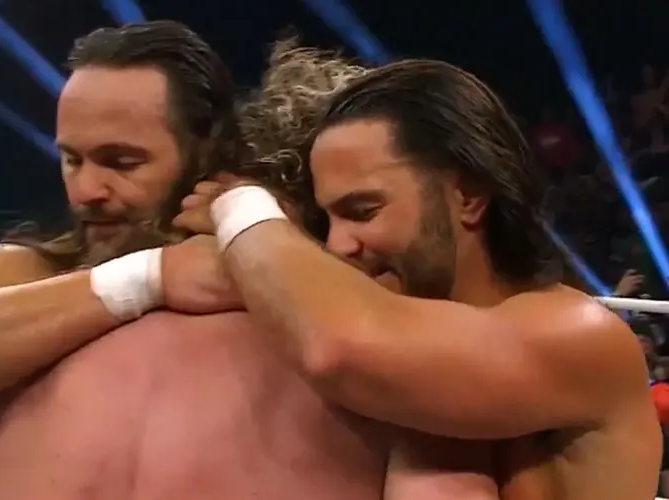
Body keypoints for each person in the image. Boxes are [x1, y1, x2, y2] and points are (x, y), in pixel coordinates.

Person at [0, 29, 497, 500]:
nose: (87, 190)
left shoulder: (315, 295)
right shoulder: (24, 276)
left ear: (205, 151)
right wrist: (152, 277)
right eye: (72, 159)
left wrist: (264, 241)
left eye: (122, 162)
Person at [174, 59, 662, 499]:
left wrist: (241, 208)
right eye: (327, 221)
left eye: (363, 211)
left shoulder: (576, 333)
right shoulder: (408, 347)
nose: (339, 245)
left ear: (467, 196)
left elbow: (338, 349)